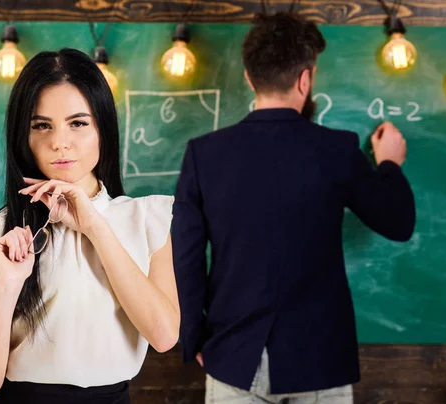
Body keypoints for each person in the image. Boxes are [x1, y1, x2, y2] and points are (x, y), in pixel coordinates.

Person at [172, 12, 415, 404]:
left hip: (233, 355)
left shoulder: (204, 154)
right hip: (318, 359)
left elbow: (185, 257)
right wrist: (388, 163)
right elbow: (398, 223)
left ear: (250, 78)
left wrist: (194, 339)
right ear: (305, 79)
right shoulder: (338, 149)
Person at [0, 48, 179, 404]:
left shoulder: (146, 220)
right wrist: (8, 285)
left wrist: (94, 227)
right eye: (41, 125)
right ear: (23, 136)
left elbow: (164, 335)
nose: (59, 142)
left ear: (102, 129)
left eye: (78, 122)